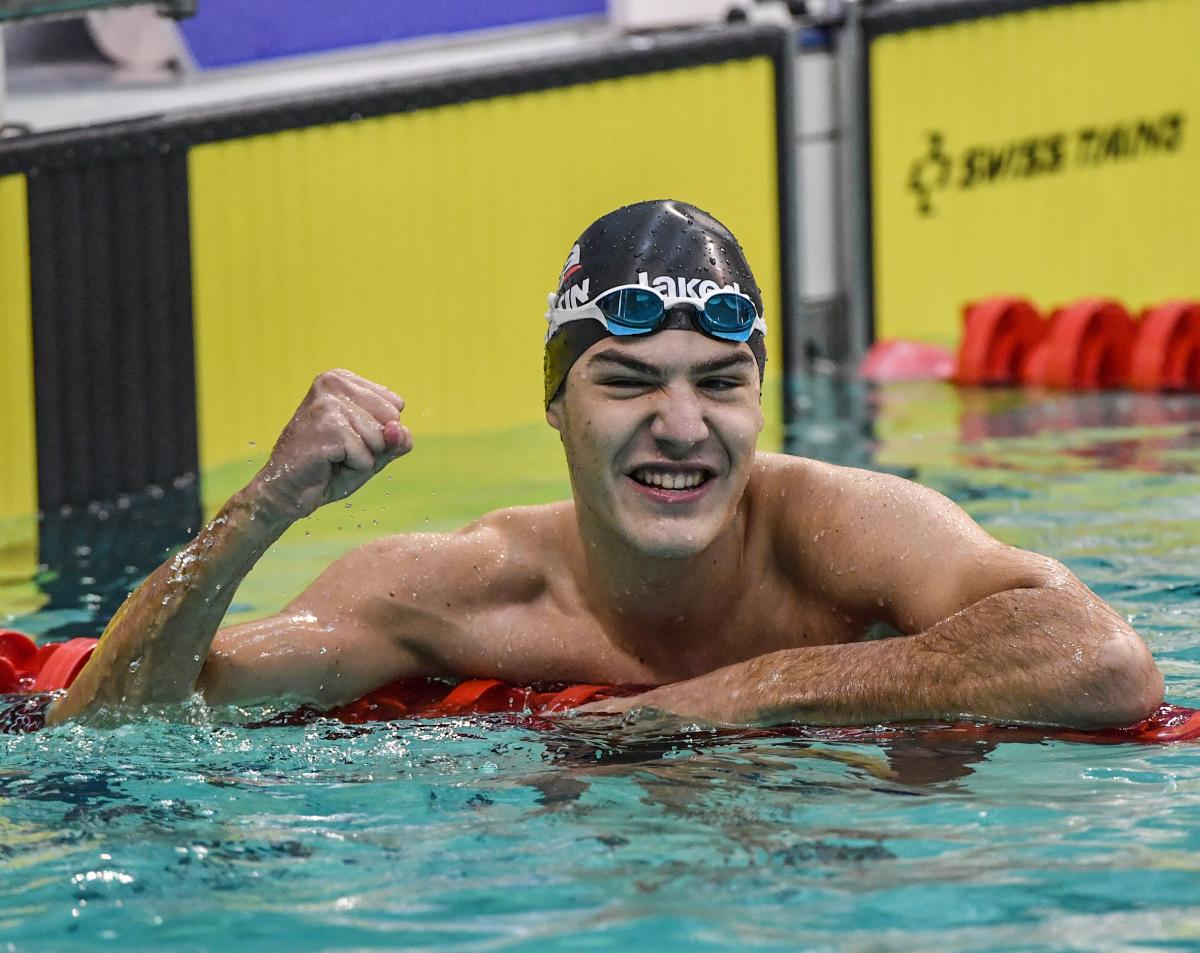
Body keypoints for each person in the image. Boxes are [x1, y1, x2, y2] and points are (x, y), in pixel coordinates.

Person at [47, 200, 1163, 729]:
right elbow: (122, 723)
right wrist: (262, 510)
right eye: (627, 382)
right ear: (555, 405)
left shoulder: (840, 528)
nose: (682, 424)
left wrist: (723, 699)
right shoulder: (458, 585)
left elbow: (1104, 659)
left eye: (721, 382)